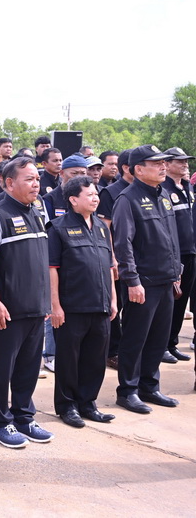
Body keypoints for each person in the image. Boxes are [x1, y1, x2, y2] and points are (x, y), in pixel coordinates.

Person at [0, 157, 54, 448]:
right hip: (9, 309)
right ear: (9, 183)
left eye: (37, 179)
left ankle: (24, 417)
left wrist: (46, 301)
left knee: (29, 367)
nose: (36, 184)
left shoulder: (36, 211)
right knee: (3, 367)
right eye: (29, 179)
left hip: (36, 306)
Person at [112, 145, 180, 414]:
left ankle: (149, 386)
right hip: (143, 282)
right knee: (135, 338)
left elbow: (172, 237)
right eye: (156, 163)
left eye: (164, 163)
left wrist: (176, 272)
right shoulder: (127, 199)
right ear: (139, 169)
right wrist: (132, 280)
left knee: (158, 338)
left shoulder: (163, 195)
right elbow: (123, 243)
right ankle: (128, 391)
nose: (163, 167)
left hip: (166, 278)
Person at [48, 176, 117, 427]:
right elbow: (51, 268)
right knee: (69, 360)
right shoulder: (58, 228)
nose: (96, 198)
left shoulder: (101, 226)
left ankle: (88, 403)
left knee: (95, 359)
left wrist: (113, 298)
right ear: (73, 200)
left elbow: (109, 266)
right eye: (89, 195)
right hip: (72, 307)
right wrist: (55, 305)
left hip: (100, 304)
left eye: (96, 194)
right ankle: (67, 406)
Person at [97, 149, 133, 370]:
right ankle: (112, 351)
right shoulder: (111, 192)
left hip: (137, 261)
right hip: (118, 259)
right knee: (115, 306)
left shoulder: (146, 191)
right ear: (128, 168)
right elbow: (105, 228)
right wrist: (112, 259)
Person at [161, 147, 195, 363]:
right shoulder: (163, 188)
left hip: (191, 251)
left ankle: (172, 343)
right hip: (175, 253)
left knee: (181, 303)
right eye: (179, 161)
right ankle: (161, 345)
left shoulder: (187, 186)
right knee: (169, 303)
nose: (184, 164)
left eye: (186, 161)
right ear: (167, 164)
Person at [43, 153, 88, 222]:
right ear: (62, 173)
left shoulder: (89, 198)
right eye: (74, 173)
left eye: (83, 173)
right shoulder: (50, 199)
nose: (79, 177)